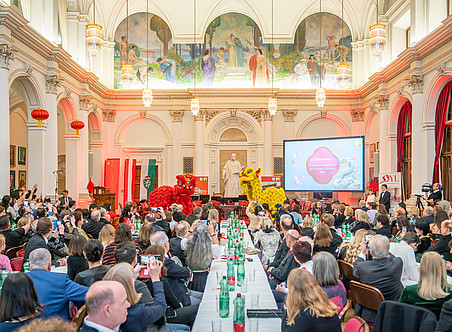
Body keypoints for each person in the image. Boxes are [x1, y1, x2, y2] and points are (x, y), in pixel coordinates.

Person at [143, 245, 199, 327]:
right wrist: (178, 304)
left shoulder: (140, 278)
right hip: (167, 315)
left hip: (154, 316)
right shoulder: (160, 279)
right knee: (199, 308)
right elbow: (171, 299)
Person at [102, 262, 167, 332]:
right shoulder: (136, 312)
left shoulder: (102, 310)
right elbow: (160, 307)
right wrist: (155, 278)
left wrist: (131, 276)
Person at [353, 235, 403, 322]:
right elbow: (392, 257)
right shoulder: (397, 263)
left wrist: (362, 253)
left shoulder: (362, 268)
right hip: (393, 310)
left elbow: (355, 271)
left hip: (369, 312)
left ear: (371, 252)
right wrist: (383, 249)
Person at [27, 248, 88, 320]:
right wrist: (72, 300)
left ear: (29, 265)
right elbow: (89, 293)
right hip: (56, 327)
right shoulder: (60, 280)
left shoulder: (16, 281)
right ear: (49, 266)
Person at [400, 251, 452, 319]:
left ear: (421, 269)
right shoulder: (449, 291)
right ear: (442, 268)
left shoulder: (409, 291)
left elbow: (400, 314)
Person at [184, 222, 219, 292]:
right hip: (204, 277)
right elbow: (217, 248)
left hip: (191, 277)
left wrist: (191, 228)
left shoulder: (187, 243)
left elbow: (183, 239)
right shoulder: (210, 247)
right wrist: (213, 233)